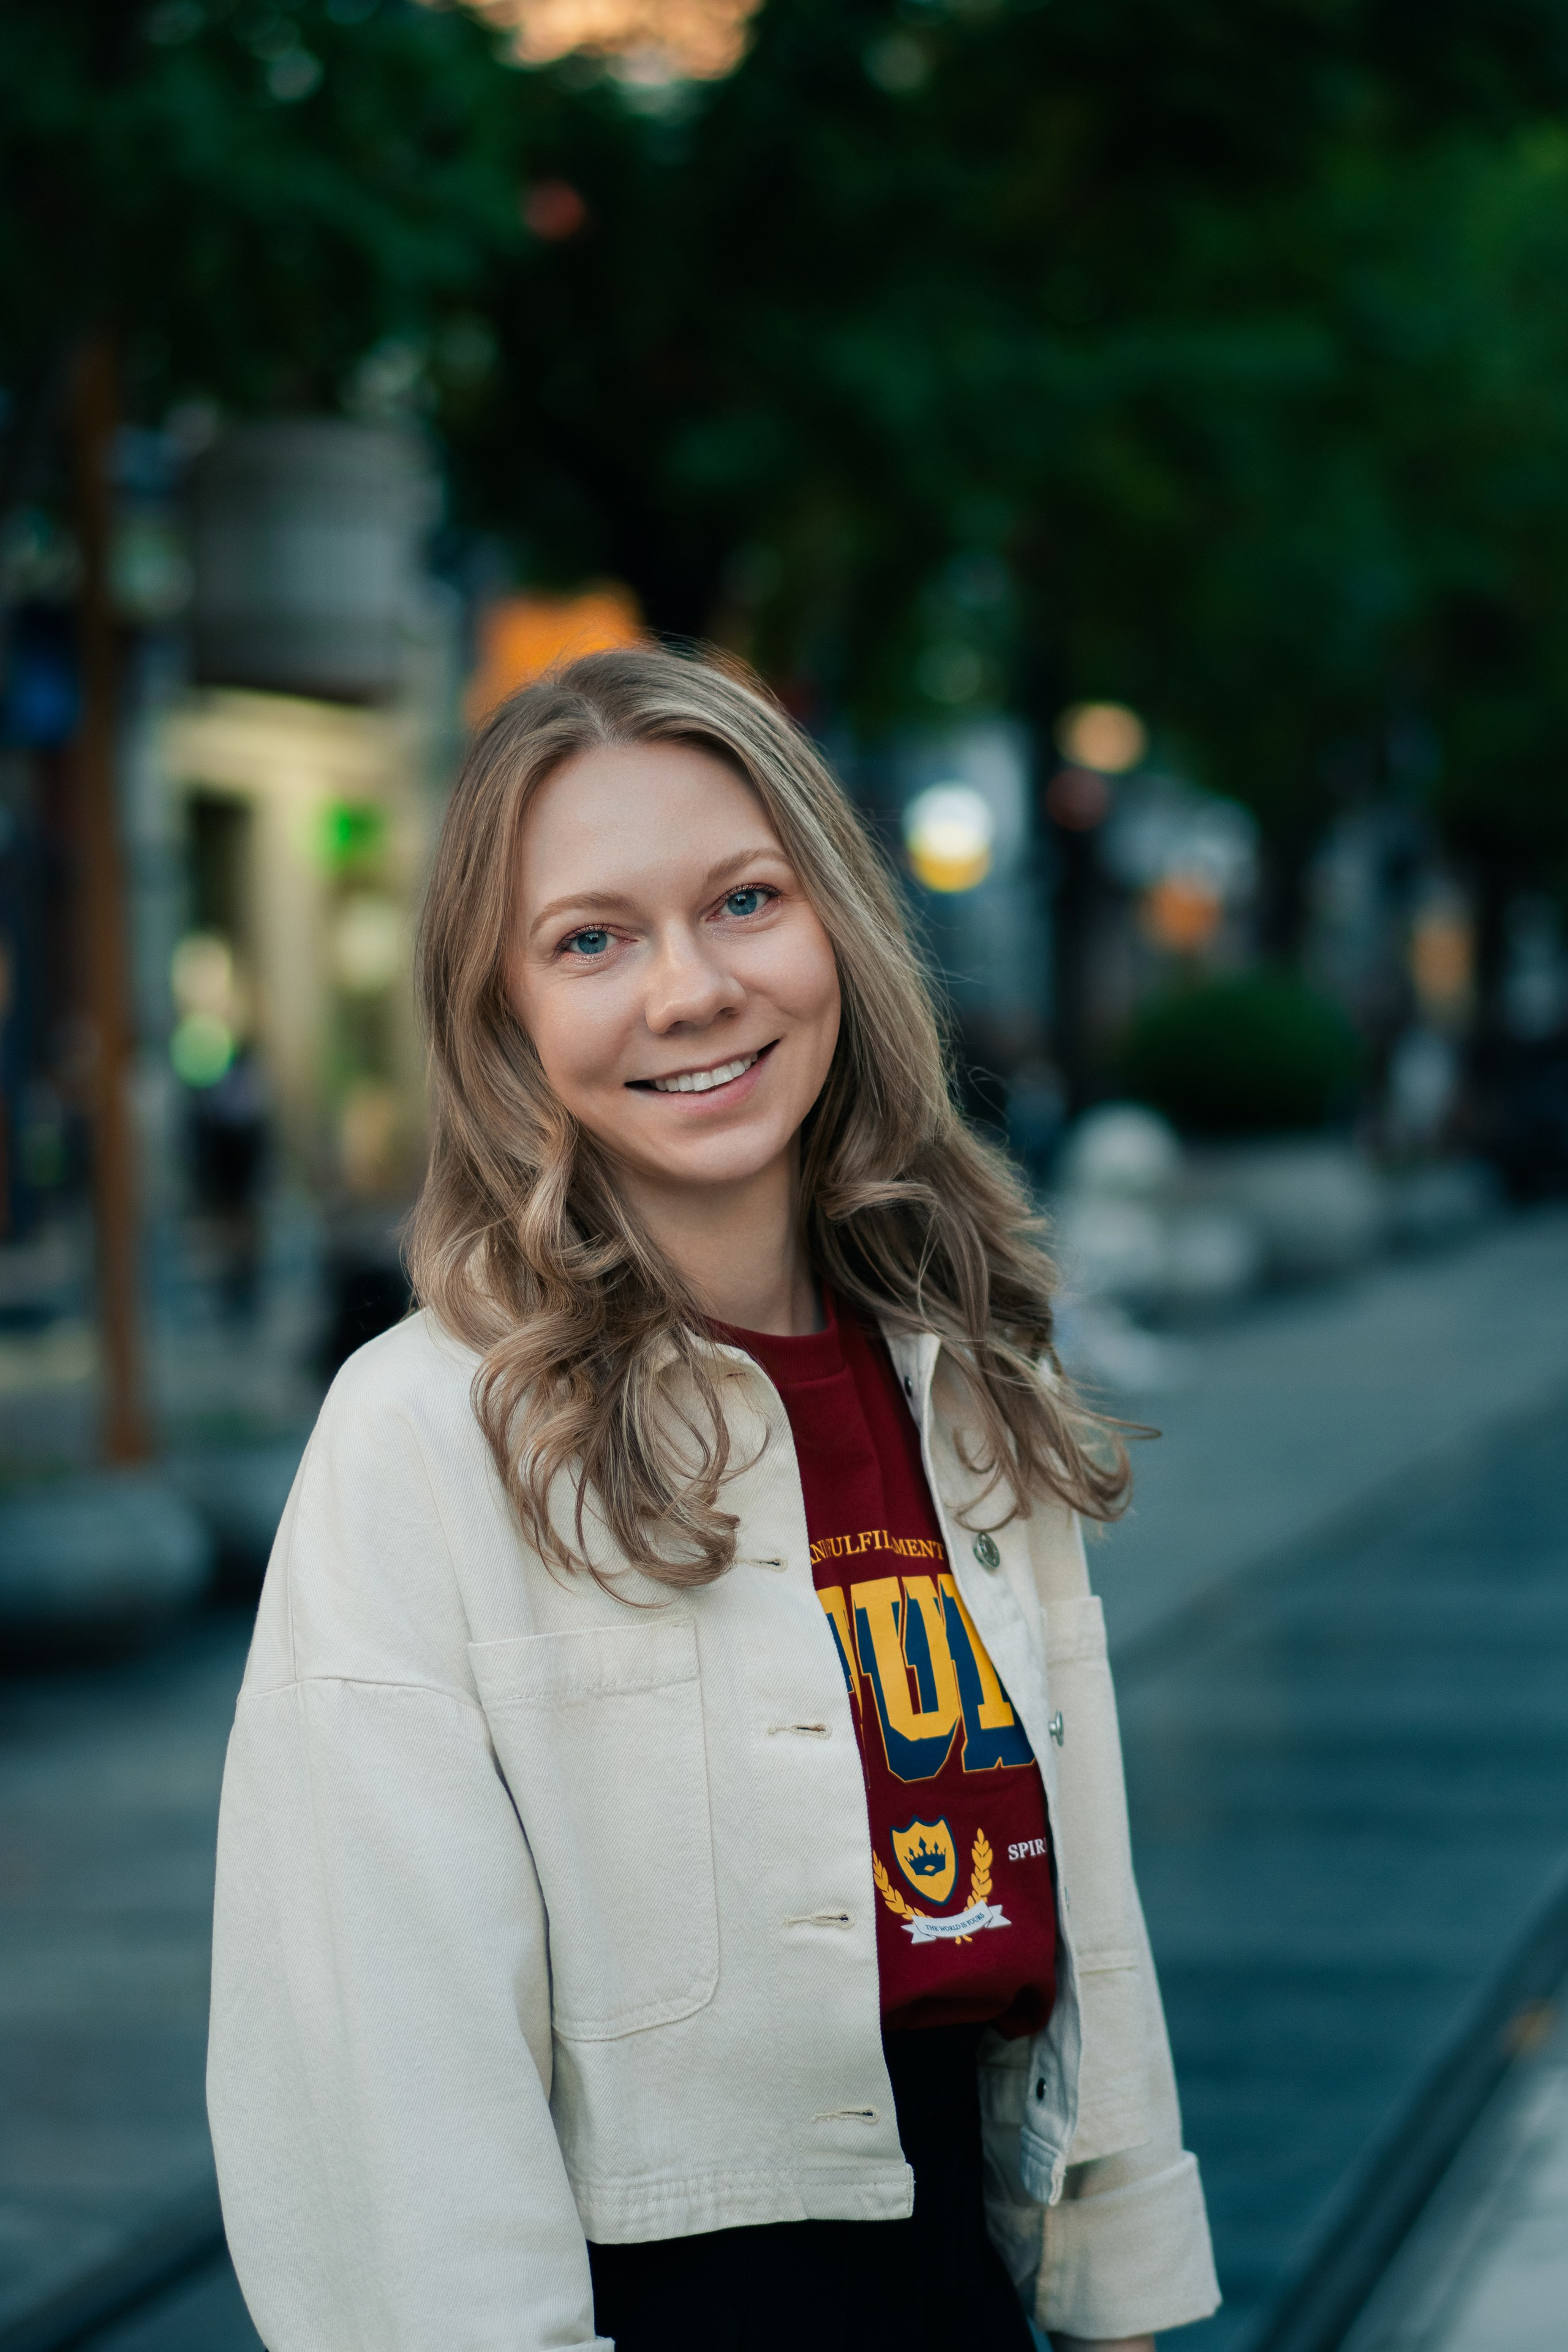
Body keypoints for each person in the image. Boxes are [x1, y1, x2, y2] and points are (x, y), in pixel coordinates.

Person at [208, 648, 1220, 2351]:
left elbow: (1084, 1919)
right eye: (591, 940)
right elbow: (385, 2082)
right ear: (504, 1016)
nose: (690, 989)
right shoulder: (423, 1434)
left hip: (965, 2286)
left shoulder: (962, 1374)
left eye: (744, 901)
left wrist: (1118, 2305)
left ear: (838, 929)